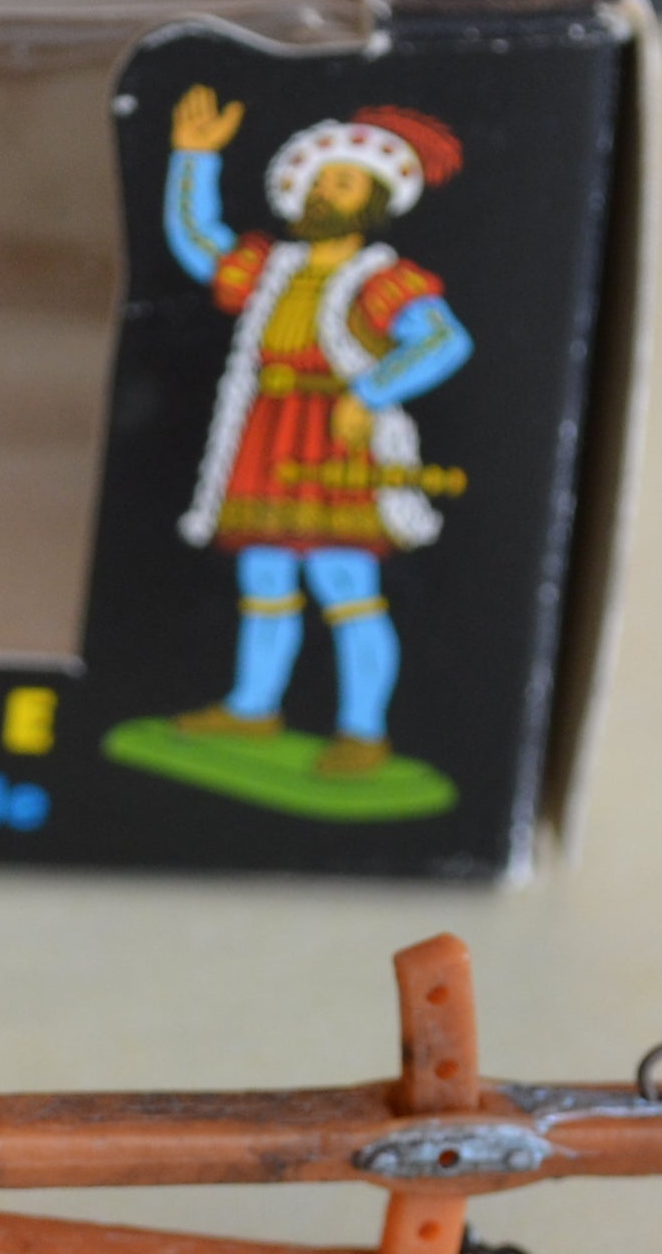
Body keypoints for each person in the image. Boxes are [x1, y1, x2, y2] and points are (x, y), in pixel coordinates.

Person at [158, 83, 472, 776]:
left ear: (373, 201)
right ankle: (252, 708)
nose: (325, 193)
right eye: (320, 181)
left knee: (344, 579)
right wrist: (193, 157)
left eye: (343, 184)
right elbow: (200, 243)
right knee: (265, 572)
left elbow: (443, 341)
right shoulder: (272, 267)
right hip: (265, 431)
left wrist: (371, 390)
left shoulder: (381, 280)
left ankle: (363, 730)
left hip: (336, 434)